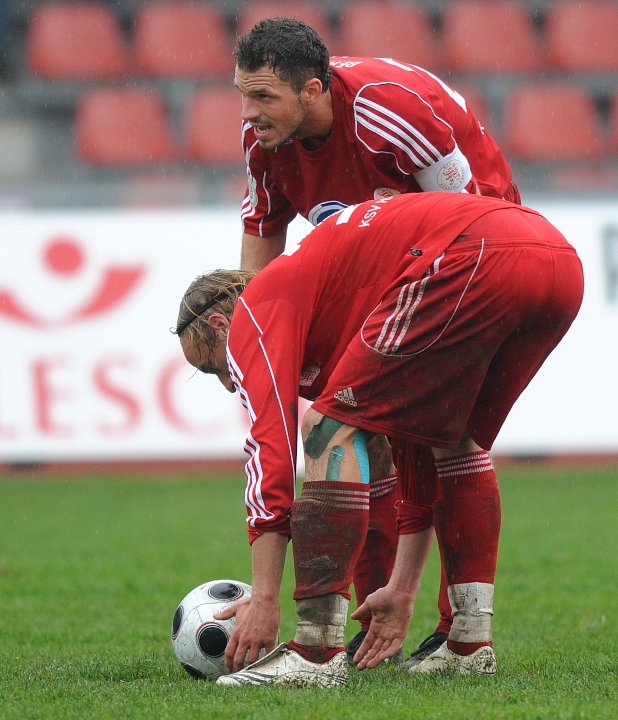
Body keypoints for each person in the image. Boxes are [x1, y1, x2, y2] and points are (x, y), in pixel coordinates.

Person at [174, 191, 583, 686]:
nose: (227, 382)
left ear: (220, 325)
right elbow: (411, 450)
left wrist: (264, 598)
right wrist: (402, 588)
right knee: (454, 444)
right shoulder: (334, 301)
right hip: (556, 260)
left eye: (214, 366)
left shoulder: (256, 312)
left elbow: (270, 452)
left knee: (326, 428)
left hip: (473, 253)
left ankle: (315, 653)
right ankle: (469, 644)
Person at [233, 16, 522, 666]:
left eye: (263, 97)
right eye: (243, 96)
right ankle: (388, 624)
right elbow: (261, 236)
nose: (248, 114)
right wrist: (255, 334)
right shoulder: (265, 141)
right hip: (388, 268)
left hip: (476, 249)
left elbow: (470, 216)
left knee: (424, 434)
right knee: (369, 430)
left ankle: (453, 633)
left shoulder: (387, 111)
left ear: (312, 90)